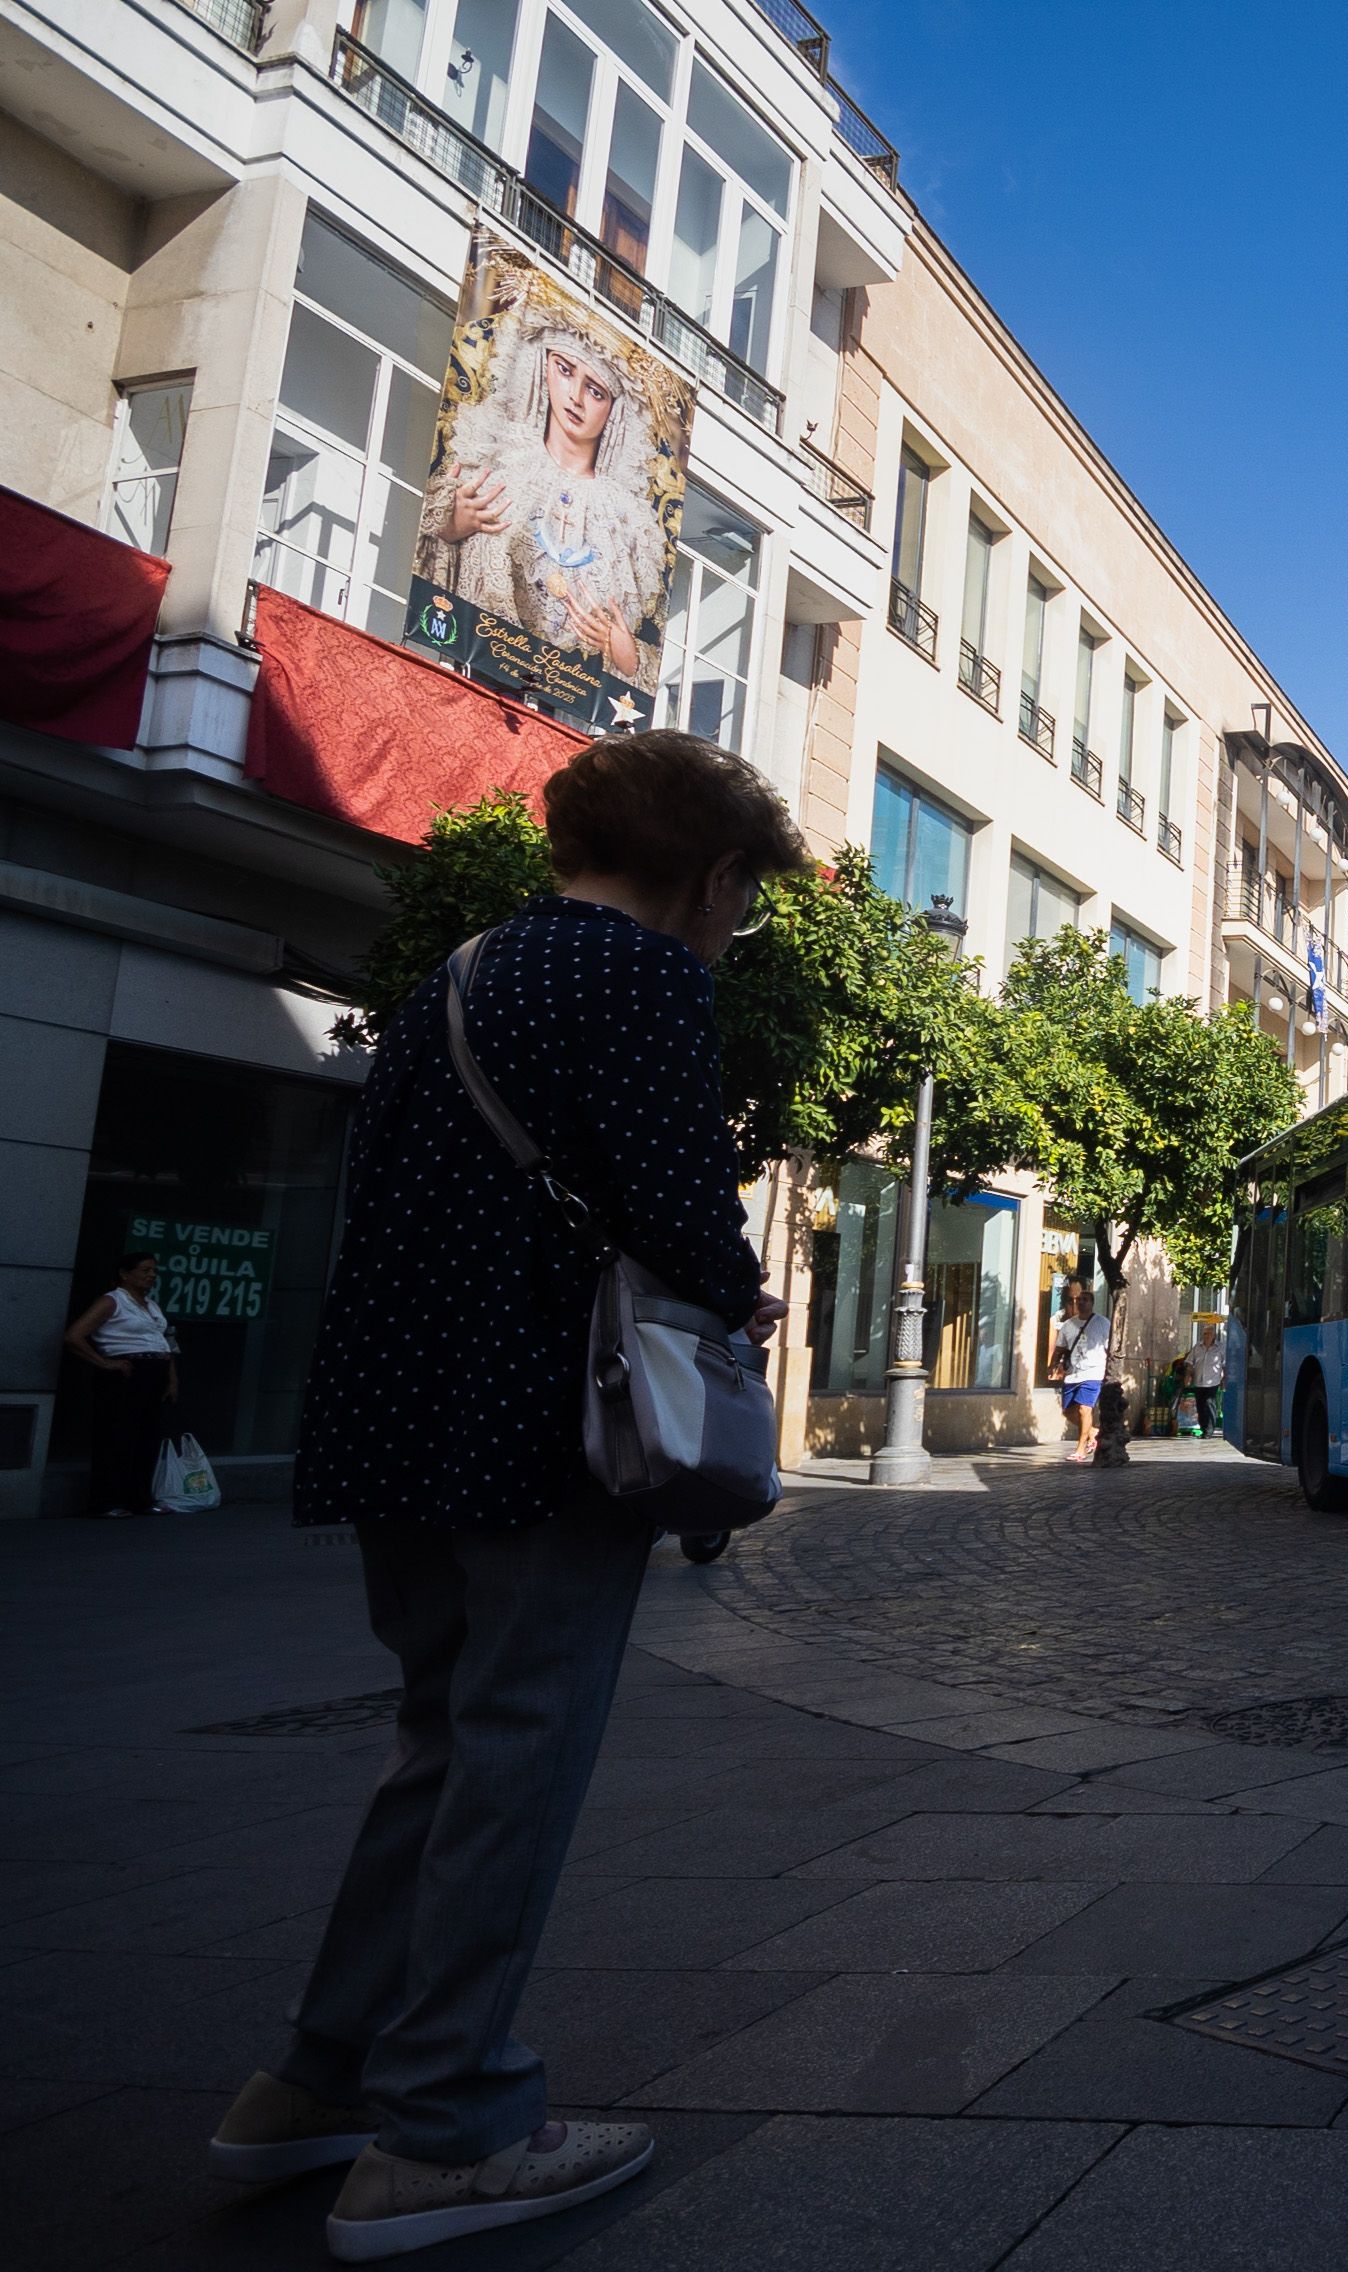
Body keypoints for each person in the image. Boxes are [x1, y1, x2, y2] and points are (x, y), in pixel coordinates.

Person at [207, 729, 805, 2261]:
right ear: (715, 877)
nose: (734, 929)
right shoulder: (645, 979)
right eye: (741, 897)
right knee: (516, 1757)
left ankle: (317, 2080)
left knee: (439, 1742)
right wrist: (740, 1297)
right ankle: (449, 2122)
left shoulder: (458, 973)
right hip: (541, 1424)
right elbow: (678, 1204)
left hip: (396, 1414)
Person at [417, 300, 667, 695]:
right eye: (565, 371)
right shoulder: (491, 464)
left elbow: (635, 667)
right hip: (470, 685)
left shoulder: (628, 526)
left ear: (615, 409)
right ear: (542, 365)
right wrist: (451, 529)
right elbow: (427, 585)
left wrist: (626, 654)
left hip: (560, 716)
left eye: (596, 390)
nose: (576, 398)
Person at [61, 1249, 178, 1519]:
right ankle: (107, 1500)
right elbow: (74, 1336)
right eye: (144, 1270)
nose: (151, 1276)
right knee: (117, 1436)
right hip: (127, 1372)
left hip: (155, 1370)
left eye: (154, 1271)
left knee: (146, 1437)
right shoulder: (112, 1301)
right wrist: (104, 1363)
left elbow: (164, 1343)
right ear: (125, 1274)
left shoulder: (151, 1305)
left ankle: (140, 1498)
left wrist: (172, 1378)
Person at [1051, 1278, 1109, 1464]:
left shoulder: (1102, 1323)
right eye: (1078, 1300)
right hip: (1073, 1373)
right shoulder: (1068, 1325)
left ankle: (1081, 1449)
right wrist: (1053, 1364)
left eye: (1085, 1299)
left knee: (1085, 1409)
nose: (1080, 1302)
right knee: (1068, 1411)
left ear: (1092, 1303)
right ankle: (1094, 1433)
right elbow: (1060, 1348)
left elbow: (1111, 1348)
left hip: (1093, 1372)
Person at [1182, 1320, 1226, 1439]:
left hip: (1213, 1381)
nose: (1206, 1336)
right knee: (1201, 1405)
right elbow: (1190, 1363)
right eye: (1205, 1333)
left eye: (1209, 1334)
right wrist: (1188, 1376)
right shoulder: (1197, 1347)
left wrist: (1224, 1380)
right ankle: (1203, 1428)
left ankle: (1209, 1430)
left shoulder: (1220, 1348)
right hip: (1199, 1380)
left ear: (1214, 1336)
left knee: (1209, 1404)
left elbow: (1224, 1364)